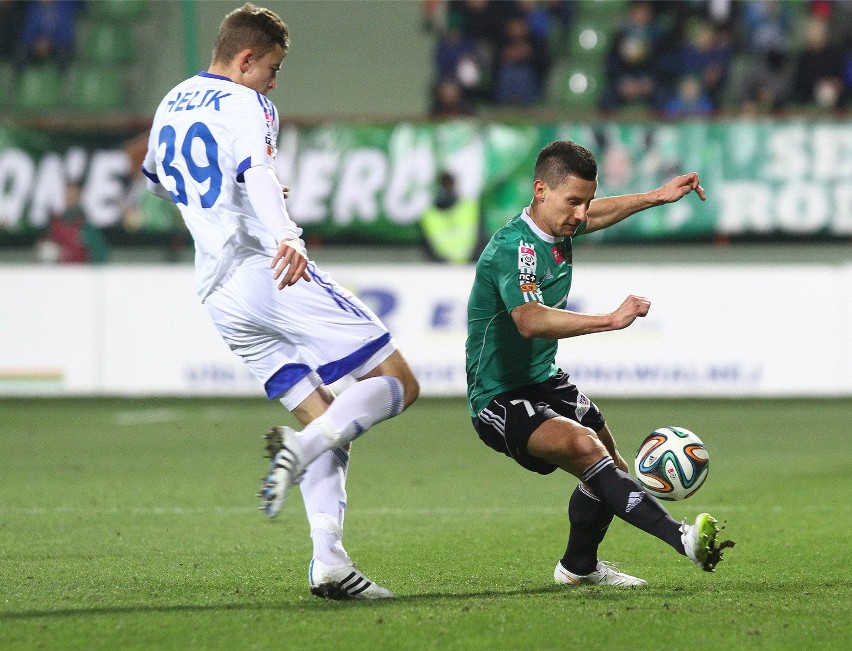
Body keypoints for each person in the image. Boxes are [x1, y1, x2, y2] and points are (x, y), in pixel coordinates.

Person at [141, 3, 419, 600]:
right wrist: (285, 232)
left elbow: (162, 179)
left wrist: (237, 199)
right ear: (245, 59)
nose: (274, 80)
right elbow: (257, 171)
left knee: (327, 422)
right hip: (267, 273)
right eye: (272, 67)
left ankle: (329, 563)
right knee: (398, 380)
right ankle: (297, 451)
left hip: (216, 292)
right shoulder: (248, 103)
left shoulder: (171, 101)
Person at [465, 140, 734, 587]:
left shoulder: (559, 225)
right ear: (540, 190)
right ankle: (682, 539)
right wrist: (610, 319)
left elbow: (599, 212)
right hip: (498, 395)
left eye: (586, 201)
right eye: (573, 201)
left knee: (611, 465)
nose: (581, 213)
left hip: (544, 379)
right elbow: (529, 320)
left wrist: (655, 197)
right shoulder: (515, 249)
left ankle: (578, 567)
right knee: (587, 449)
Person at [420, 171, 481, 264]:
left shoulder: (470, 207)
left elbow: (482, 239)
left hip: (466, 266)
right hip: (447, 269)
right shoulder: (428, 215)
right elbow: (426, 247)